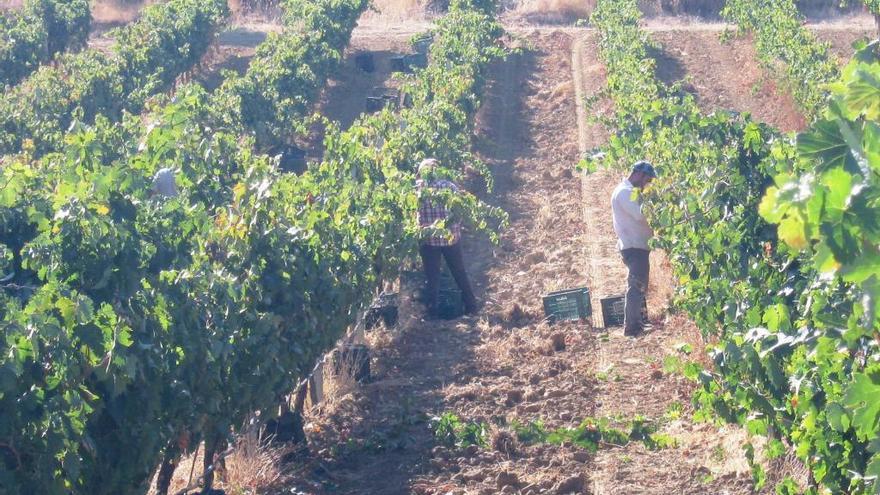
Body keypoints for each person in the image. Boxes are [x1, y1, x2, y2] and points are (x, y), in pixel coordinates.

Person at [416, 158, 478, 318]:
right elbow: (460, 213)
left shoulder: (418, 190)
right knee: (459, 272)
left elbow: (413, 216)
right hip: (451, 239)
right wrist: (455, 229)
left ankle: (433, 312)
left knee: (432, 276)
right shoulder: (450, 187)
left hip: (429, 241)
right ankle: (471, 306)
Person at [611, 161, 656, 336]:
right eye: (647, 180)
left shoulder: (628, 191)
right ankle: (632, 327)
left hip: (637, 245)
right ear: (638, 174)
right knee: (636, 286)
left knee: (638, 285)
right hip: (634, 246)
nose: (647, 184)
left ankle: (636, 323)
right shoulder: (624, 193)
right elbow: (640, 215)